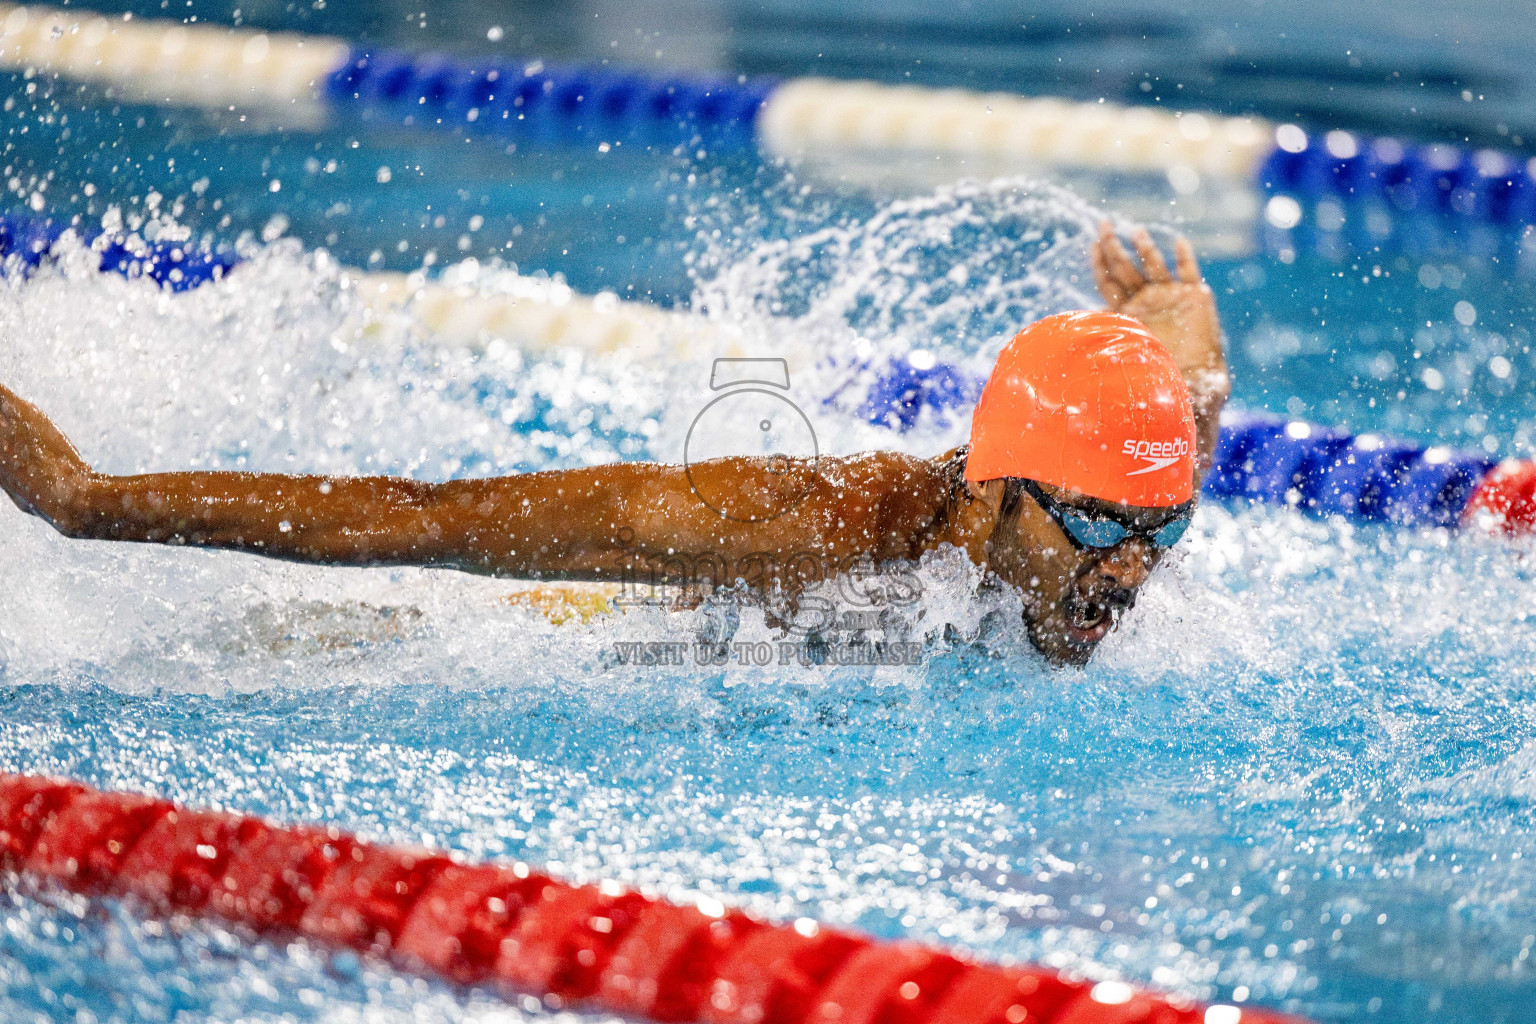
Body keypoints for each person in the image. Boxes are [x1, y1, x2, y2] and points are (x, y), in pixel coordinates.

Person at [0, 223, 1227, 666]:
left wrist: (1181, 357)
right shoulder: (807, 524)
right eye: (1098, 529)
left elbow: (1169, 436)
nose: (1129, 572)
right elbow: (429, 517)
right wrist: (85, 496)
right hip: (594, 632)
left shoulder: (1108, 501)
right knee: (343, 641)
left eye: (1160, 533)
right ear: (994, 488)